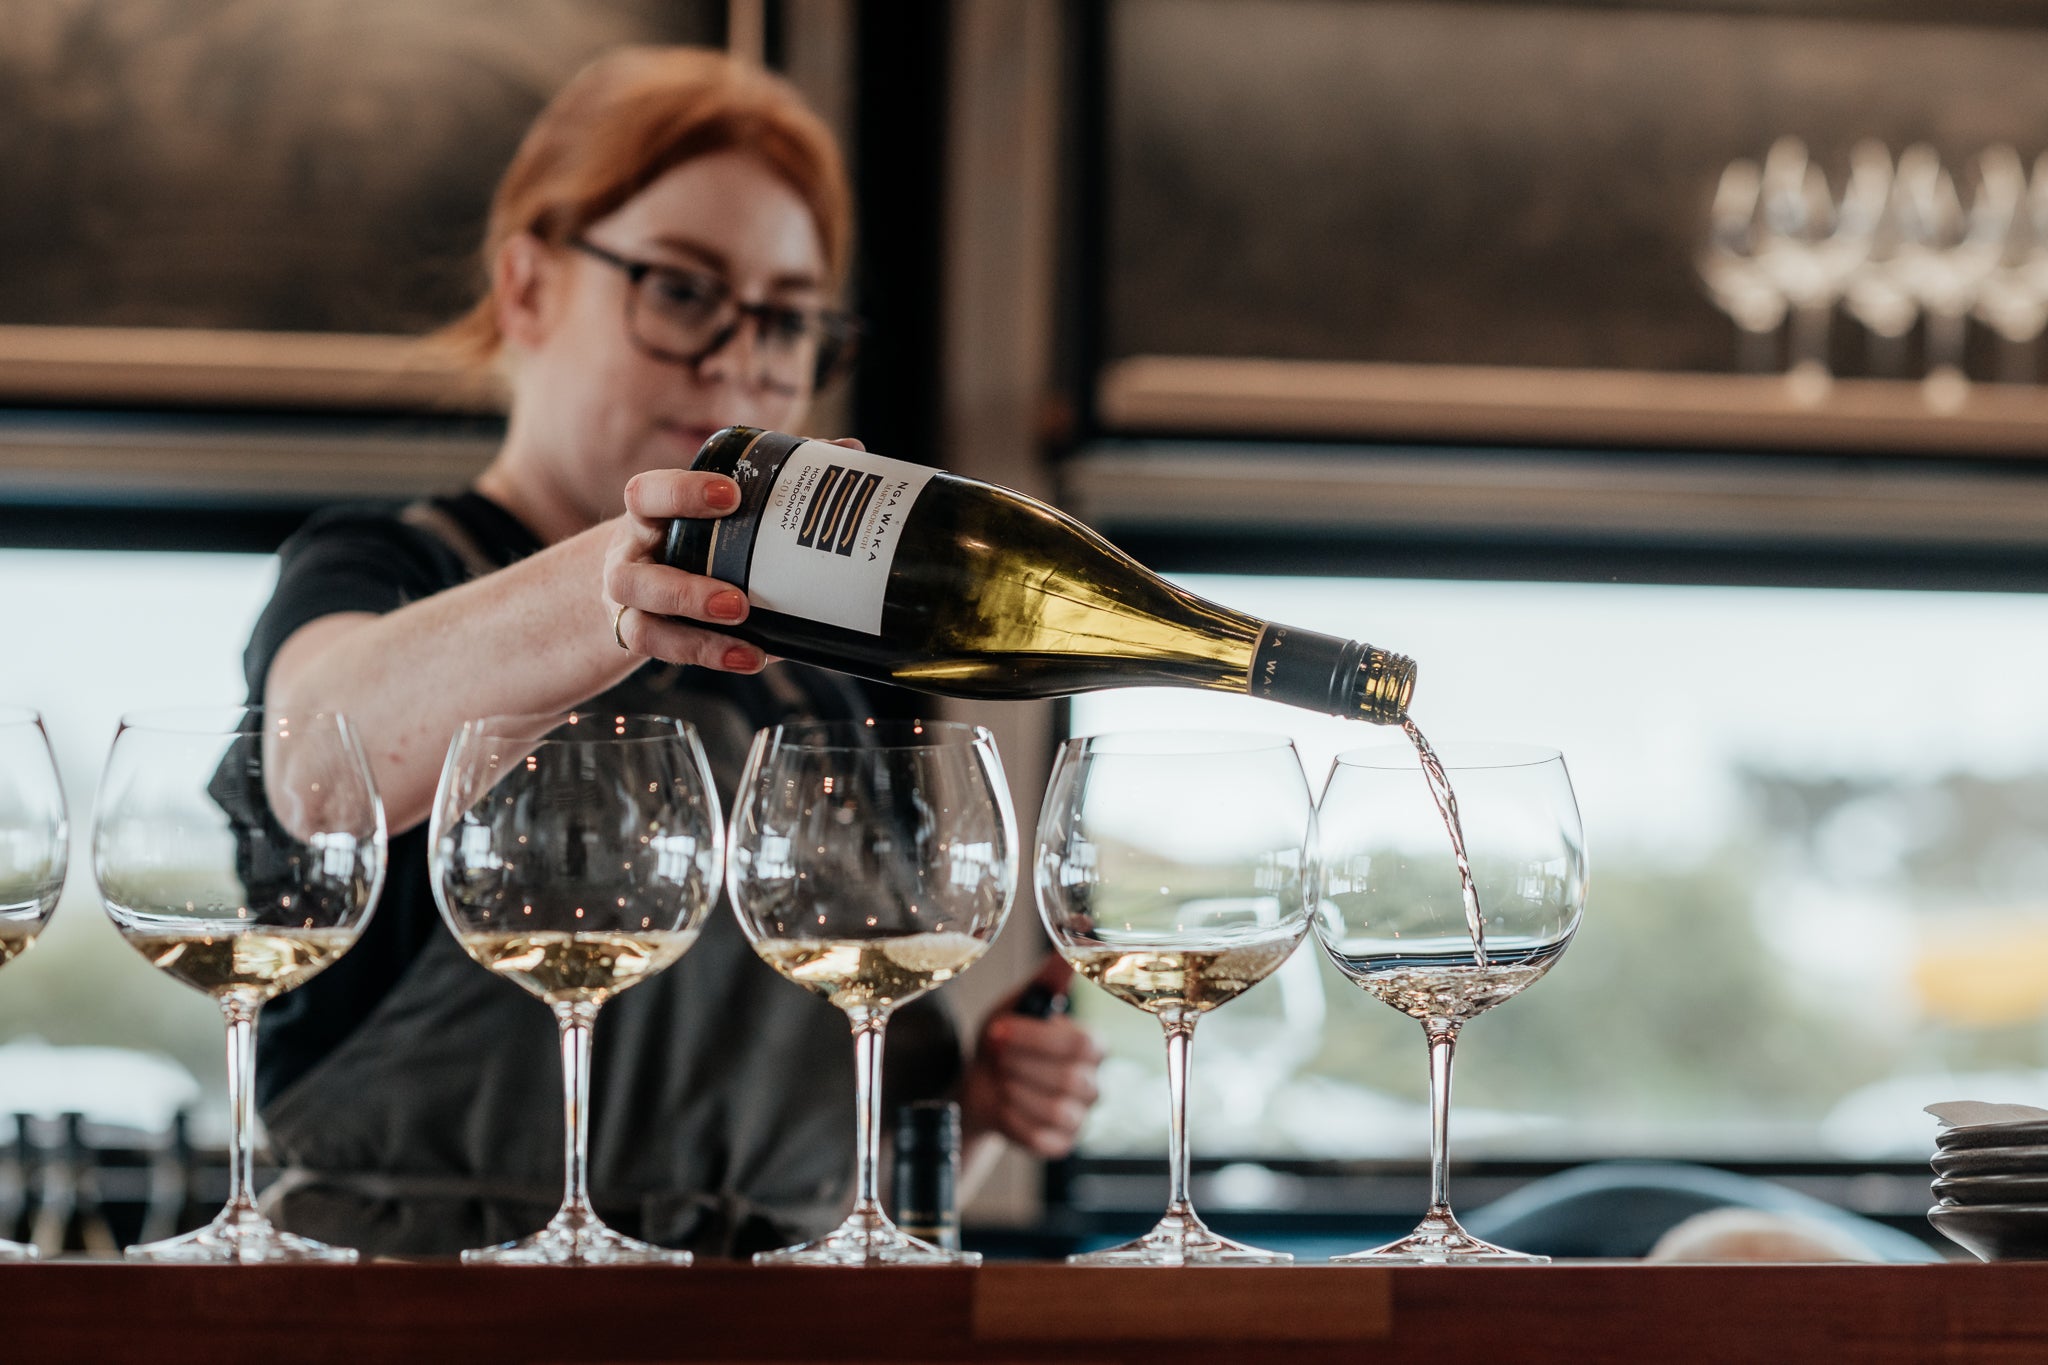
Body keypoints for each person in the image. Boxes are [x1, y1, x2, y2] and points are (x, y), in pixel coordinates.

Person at [244, 46, 1101, 1258]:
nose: (742, 355)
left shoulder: (821, 685)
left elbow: (808, 1160)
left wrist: (974, 1112)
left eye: (790, 317)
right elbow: (322, 770)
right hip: (419, 1322)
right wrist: (615, 578)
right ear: (529, 286)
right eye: (684, 291)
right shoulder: (384, 569)